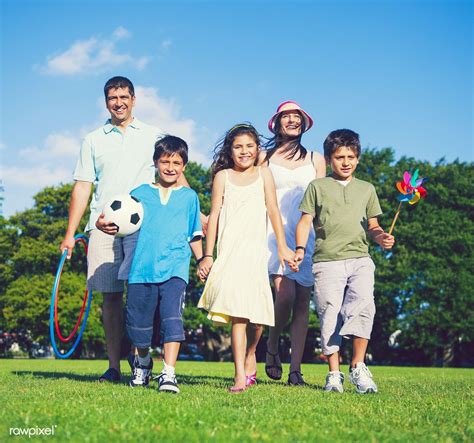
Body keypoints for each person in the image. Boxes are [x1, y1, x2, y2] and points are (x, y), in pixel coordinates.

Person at [60, 76, 169, 383]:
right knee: (109, 297)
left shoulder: (153, 134)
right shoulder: (93, 140)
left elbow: (171, 173)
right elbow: (82, 186)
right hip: (103, 227)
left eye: (123, 96)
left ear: (134, 99)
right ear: (106, 102)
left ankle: (140, 362)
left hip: (142, 226)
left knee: (141, 296)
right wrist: (70, 234)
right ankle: (113, 367)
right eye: (112, 98)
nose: (118, 102)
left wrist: (195, 212)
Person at [294, 129, 395, 394]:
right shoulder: (317, 187)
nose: (346, 162)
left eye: (351, 156)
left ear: (358, 158)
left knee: (364, 307)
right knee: (329, 313)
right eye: (340, 157)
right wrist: (300, 248)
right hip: (327, 261)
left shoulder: (367, 189)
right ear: (329, 159)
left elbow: (373, 226)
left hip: (360, 258)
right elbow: (305, 221)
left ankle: (358, 367)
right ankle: (334, 374)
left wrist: (381, 237)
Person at [197, 124, 296, 392]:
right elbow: (214, 214)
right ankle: (240, 374)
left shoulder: (264, 175)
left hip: (256, 250)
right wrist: (208, 255)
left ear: (257, 149)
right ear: (230, 150)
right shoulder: (223, 176)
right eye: (238, 146)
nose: (244, 151)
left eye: (249, 146)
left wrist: (284, 247)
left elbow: (274, 210)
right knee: (239, 315)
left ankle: (252, 351)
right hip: (230, 251)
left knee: (257, 318)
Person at [123, 135, 203, 393]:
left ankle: (168, 374)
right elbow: (119, 221)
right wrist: (105, 225)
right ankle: (143, 363)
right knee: (140, 327)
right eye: (165, 161)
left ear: (184, 166)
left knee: (172, 321)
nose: (171, 167)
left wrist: (202, 259)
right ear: (156, 163)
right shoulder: (139, 194)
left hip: (175, 269)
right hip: (141, 270)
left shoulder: (190, 197)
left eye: (177, 162)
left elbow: (194, 234)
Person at [261, 101, 326, 386]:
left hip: (307, 234)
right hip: (273, 233)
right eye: (286, 116)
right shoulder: (263, 157)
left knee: (302, 304)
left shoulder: (316, 158)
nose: (292, 120)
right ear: (276, 123)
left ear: (303, 124)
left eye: (296, 117)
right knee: (284, 294)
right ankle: (272, 345)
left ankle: (296, 370)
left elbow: (322, 200)